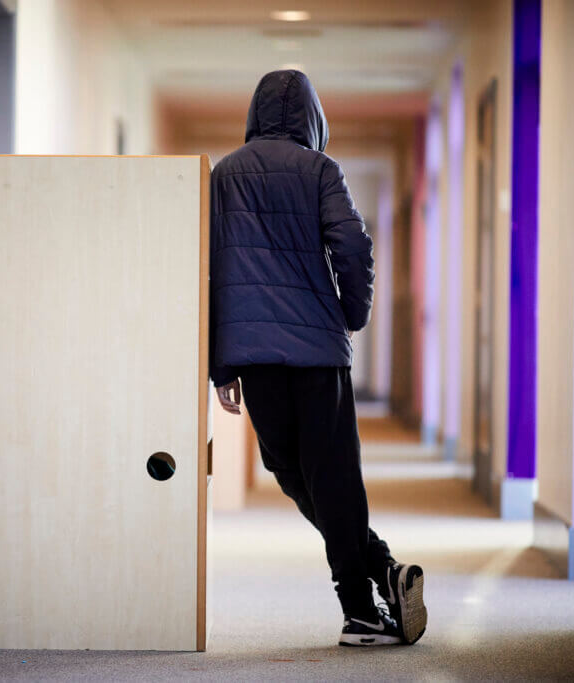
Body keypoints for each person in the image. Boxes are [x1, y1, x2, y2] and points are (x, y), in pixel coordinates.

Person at [208, 69, 427, 647]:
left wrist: (220, 363)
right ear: (314, 117)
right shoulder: (320, 170)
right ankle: (376, 574)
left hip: (253, 356)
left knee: (293, 474)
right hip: (317, 354)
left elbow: (208, 269)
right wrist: (351, 315)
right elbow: (353, 245)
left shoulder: (223, 175)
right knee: (330, 475)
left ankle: (362, 601)